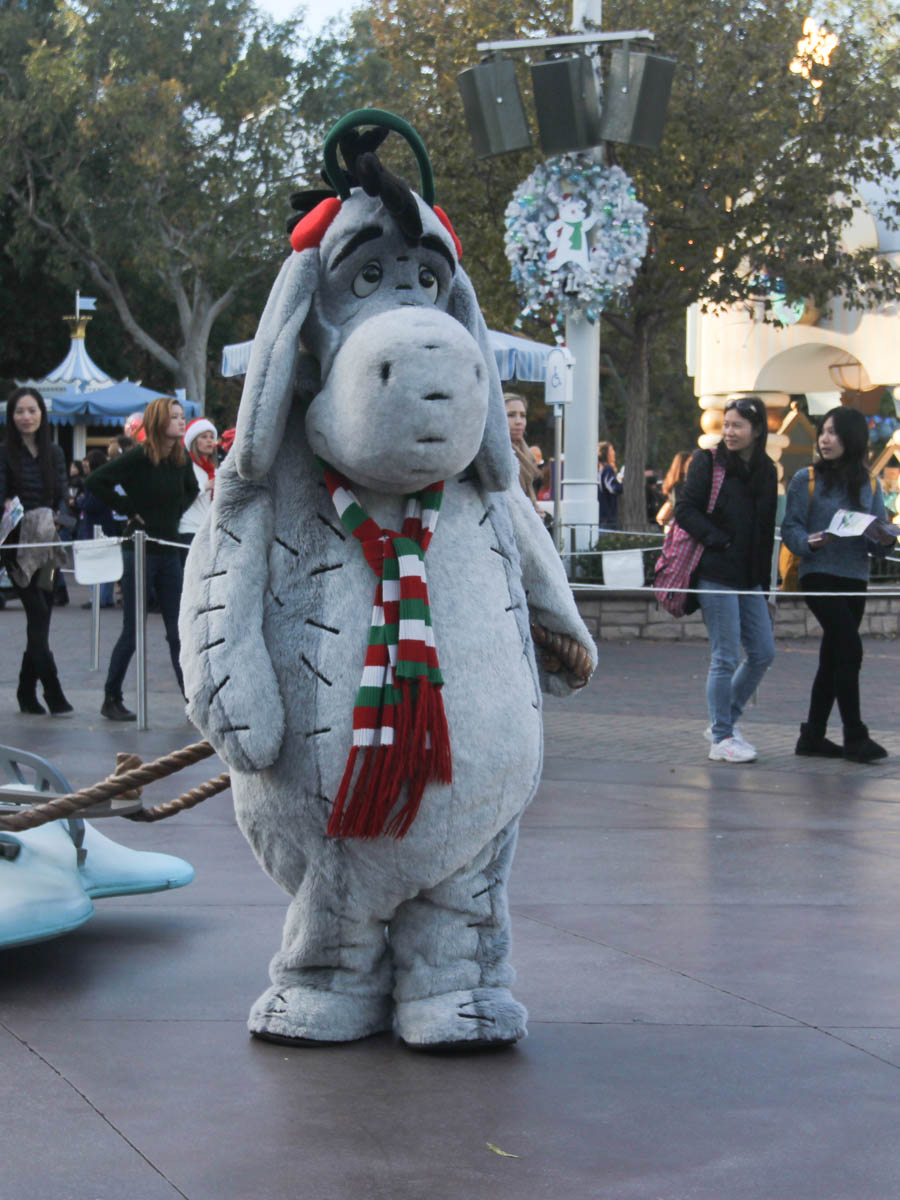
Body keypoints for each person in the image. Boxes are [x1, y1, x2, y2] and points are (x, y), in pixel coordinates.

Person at [781, 406, 893, 762]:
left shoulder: (871, 484)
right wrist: (808, 541)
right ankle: (855, 736)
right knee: (850, 648)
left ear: (852, 439)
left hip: (854, 577)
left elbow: (877, 538)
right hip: (819, 574)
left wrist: (886, 539)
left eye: (834, 433)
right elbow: (791, 528)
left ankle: (812, 736)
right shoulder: (806, 479)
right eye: (823, 432)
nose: (825, 440)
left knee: (833, 657)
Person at [675, 397, 777, 763]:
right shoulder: (708, 461)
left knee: (764, 652)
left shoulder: (767, 469)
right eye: (727, 425)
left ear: (757, 430)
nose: (730, 432)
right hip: (715, 574)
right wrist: (721, 540)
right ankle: (721, 738)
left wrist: (765, 587)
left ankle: (726, 720)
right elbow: (684, 510)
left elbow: (765, 532)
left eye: (738, 426)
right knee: (725, 656)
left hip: (750, 580)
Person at [85, 396, 198, 720]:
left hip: (168, 550)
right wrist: (127, 510)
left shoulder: (180, 458)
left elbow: (191, 490)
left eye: (182, 417)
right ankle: (111, 696)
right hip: (139, 550)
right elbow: (96, 481)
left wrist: (172, 513)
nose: (180, 422)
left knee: (178, 631)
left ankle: (192, 700)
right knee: (132, 630)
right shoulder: (137, 458)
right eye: (175, 417)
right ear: (159, 421)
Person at [0, 386, 73, 715]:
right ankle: (54, 692)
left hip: (48, 546)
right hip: (16, 548)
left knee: (43, 616)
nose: (26, 417)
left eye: (32, 410)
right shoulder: (4, 453)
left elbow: (62, 495)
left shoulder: (54, 452)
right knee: (37, 614)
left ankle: (26, 692)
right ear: (11, 416)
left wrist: (57, 518)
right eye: (19, 411)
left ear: (41, 414)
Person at [76, 449, 117, 608]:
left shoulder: (94, 481)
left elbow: (91, 504)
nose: (84, 467)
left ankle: (98, 598)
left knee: (95, 563)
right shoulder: (107, 479)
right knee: (106, 564)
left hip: (96, 526)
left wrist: (79, 502)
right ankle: (106, 597)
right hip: (105, 524)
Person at [177, 417, 218, 559]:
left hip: (207, 530)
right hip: (189, 529)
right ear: (194, 441)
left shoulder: (214, 470)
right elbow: (182, 494)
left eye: (212, 437)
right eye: (204, 437)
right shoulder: (188, 467)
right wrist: (206, 486)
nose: (209, 441)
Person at [504, 393, 543, 513]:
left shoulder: (527, 454)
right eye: (511, 415)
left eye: (523, 415)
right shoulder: (496, 454)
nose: (518, 421)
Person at [656, 450, 692, 530]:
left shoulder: (672, 482)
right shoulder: (679, 485)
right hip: (678, 525)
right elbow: (678, 505)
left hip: (672, 522)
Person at [597, 441, 623, 530]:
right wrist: (623, 483)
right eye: (611, 450)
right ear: (606, 454)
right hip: (608, 518)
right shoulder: (608, 469)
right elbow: (614, 488)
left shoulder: (600, 471)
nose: (614, 453)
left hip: (602, 516)